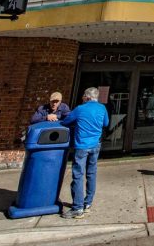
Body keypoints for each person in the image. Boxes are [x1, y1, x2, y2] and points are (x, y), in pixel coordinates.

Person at [60, 87, 109, 219]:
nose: (82, 97)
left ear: (87, 97)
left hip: (82, 145)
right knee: (92, 173)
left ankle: (77, 207)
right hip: (96, 145)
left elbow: (66, 122)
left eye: (83, 96)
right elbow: (106, 123)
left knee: (78, 175)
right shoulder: (102, 108)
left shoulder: (80, 109)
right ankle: (88, 203)